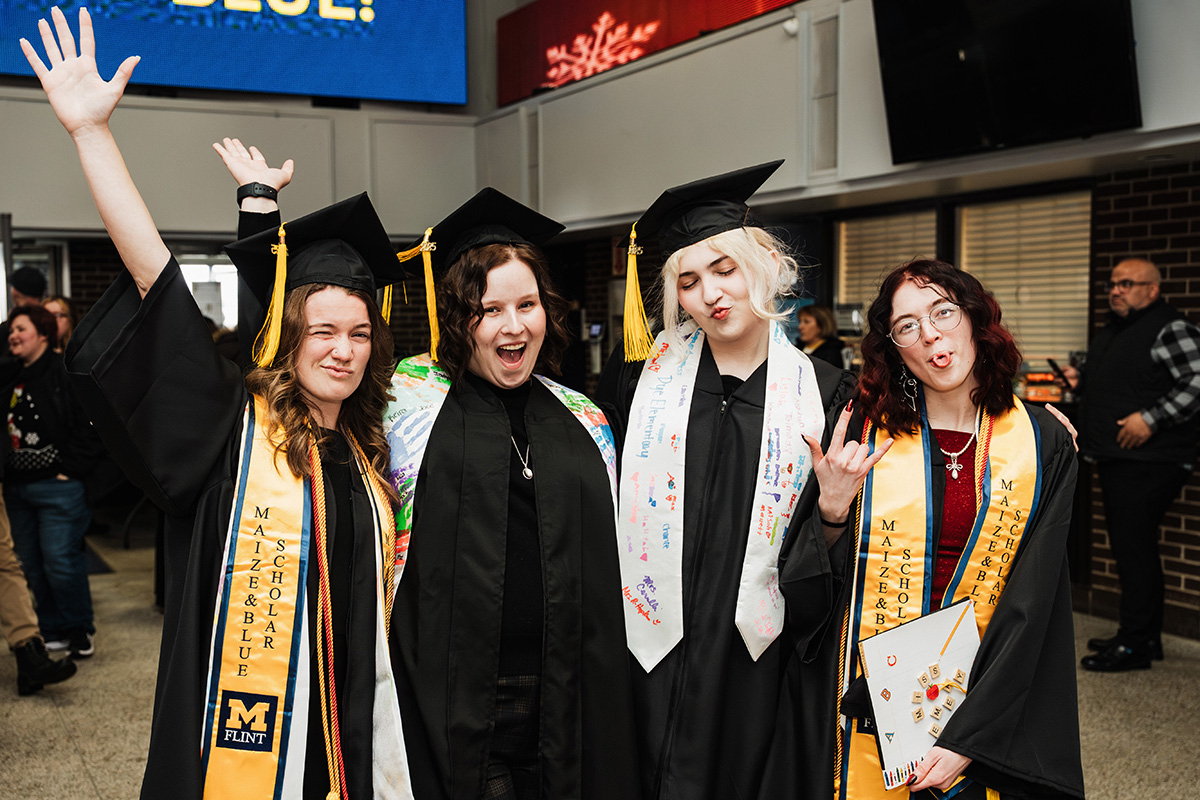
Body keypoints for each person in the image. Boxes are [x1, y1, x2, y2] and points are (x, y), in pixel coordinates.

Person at [23, 9, 413, 798]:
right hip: (251, 741)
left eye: (359, 333)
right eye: (323, 331)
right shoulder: (234, 433)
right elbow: (155, 282)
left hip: (352, 739)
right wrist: (91, 135)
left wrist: (261, 207)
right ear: (290, 339)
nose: (342, 348)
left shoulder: (372, 453)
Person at [236, 180, 643, 800]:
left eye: (527, 305)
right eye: (488, 310)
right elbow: (287, 371)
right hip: (443, 698)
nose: (513, 326)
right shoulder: (404, 401)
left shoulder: (585, 419)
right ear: (458, 316)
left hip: (573, 695)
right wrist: (260, 213)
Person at [765, 258, 1084, 799]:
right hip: (864, 697)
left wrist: (970, 738)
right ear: (895, 349)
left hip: (989, 693)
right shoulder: (863, 436)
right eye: (907, 325)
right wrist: (832, 512)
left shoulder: (1041, 443)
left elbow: (1035, 604)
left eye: (943, 311)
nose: (930, 333)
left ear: (975, 319)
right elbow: (809, 592)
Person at [596, 161, 855, 800]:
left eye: (725, 269)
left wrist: (831, 515)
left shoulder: (822, 394)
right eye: (689, 281)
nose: (711, 293)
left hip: (752, 655)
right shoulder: (639, 385)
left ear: (762, 267)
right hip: (648, 643)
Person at [1063, 257, 1200, 672]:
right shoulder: (1117, 330)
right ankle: (1145, 636)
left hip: (1150, 460)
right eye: (1112, 285)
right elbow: (1124, 381)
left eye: (1127, 283)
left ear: (1152, 290)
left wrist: (1151, 418)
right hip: (1122, 456)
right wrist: (1080, 381)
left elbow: (1197, 378)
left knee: (1133, 550)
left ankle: (1135, 643)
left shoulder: (1169, 327)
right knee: (1133, 548)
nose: (1116, 291)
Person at [2, 303, 103, 659]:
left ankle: (78, 629)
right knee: (29, 562)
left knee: (60, 560)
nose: (13, 335)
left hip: (58, 486)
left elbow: (92, 426)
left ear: (43, 334)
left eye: (22, 329)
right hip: (16, 488)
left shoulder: (64, 373)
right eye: (11, 329)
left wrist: (70, 469)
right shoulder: (10, 375)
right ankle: (50, 628)